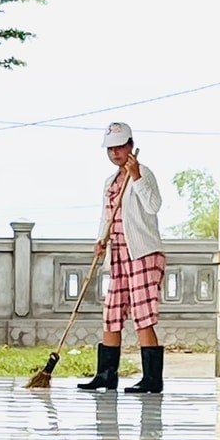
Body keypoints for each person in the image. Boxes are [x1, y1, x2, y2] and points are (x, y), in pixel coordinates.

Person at [77, 121, 166, 395]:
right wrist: (100, 239)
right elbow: (107, 215)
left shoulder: (144, 173)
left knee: (142, 314)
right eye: (110, 149)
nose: (115, 153)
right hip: (117, 253)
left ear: (130, 146)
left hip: (142, 253)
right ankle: (106, 374)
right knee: (112, 311)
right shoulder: (110, 181)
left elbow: (154, 206)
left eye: (119, 147)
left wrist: (137, 176)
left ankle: (152, 379)